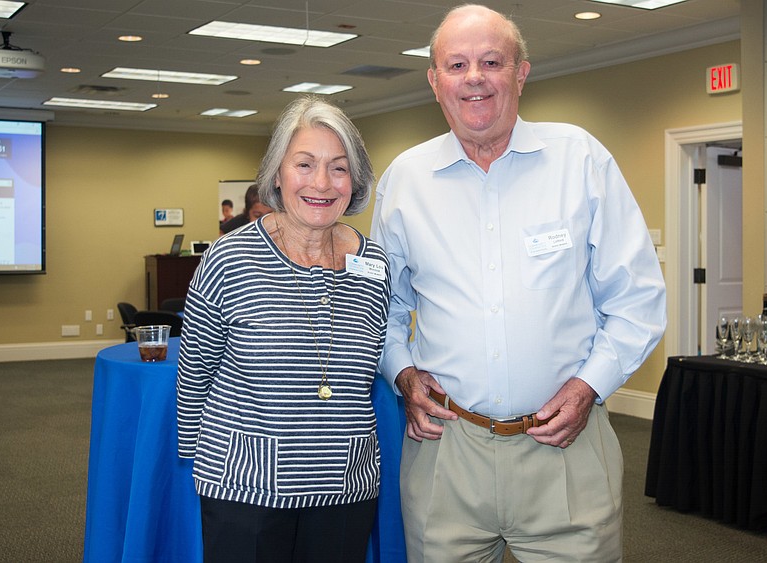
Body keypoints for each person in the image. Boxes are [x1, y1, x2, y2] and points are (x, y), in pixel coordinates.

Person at [371, 4, 666, 562]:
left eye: (491, 61)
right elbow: (381, 308)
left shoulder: (579, 160)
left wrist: (587, 389)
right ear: (435, 82)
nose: (474, 77)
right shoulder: (405, 181)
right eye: (456, 65)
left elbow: (638, 300)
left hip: (566, 448)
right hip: (446, 451)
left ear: (521, 73)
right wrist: (404, 374)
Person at [177, 95, 391, 562]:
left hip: (345, 486)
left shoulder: (373, 263)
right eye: (305, 164)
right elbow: (195, 371)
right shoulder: (229, 259)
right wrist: (197, 455)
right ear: (277, 174)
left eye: (338, 167)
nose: (322, 183)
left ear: (354, 181)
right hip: (246, 489)